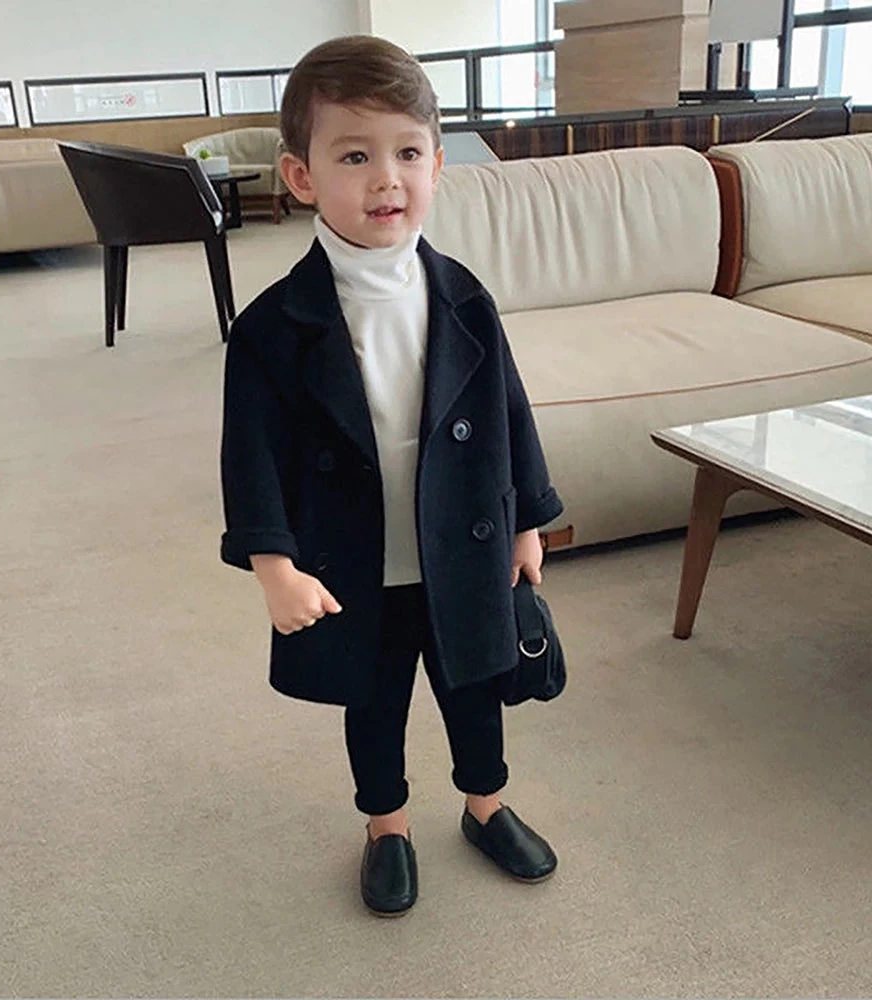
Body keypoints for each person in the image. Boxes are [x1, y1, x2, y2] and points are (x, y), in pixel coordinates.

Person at [219, 34, 564, 917]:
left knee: (474, 690)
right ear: (301, 177)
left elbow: (510, 413)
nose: (387, 180)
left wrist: (528, 520)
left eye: (409, 153)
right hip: (351, 565)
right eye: (355, 157)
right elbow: (250, 455)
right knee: (372, 705)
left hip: (463, 548)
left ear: (438, 165)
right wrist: (273, 566)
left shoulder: (465, 297)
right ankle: (387, 825)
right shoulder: (270, 328)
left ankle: (485, 806)